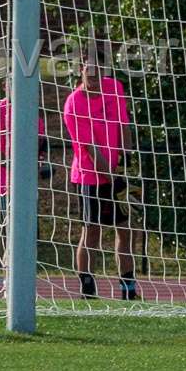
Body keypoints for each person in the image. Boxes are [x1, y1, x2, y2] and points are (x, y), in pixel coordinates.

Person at [62, 53, 136, 299]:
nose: (94, 76)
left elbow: (123, 125)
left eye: (98, 71)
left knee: (125, 229)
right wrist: (112, 177)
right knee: (91, 231)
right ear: (81, 70)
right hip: (89, 177)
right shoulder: (74, 103)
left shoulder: (115, 87)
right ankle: (87, 288)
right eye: (89, 71)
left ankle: (128, 289)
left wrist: (127, 163)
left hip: (116, 173)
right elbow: (90, 148)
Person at [0, 82, 47, 256]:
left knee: (31, 237)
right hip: (2, 187)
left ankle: (23, 282)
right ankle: (7, 280)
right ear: (4, 85)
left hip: (26, 186)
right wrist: (20, 167)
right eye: (13, 82)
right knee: (12, 237)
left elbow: (40, 146)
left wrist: (40, 164)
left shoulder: (32, 113)